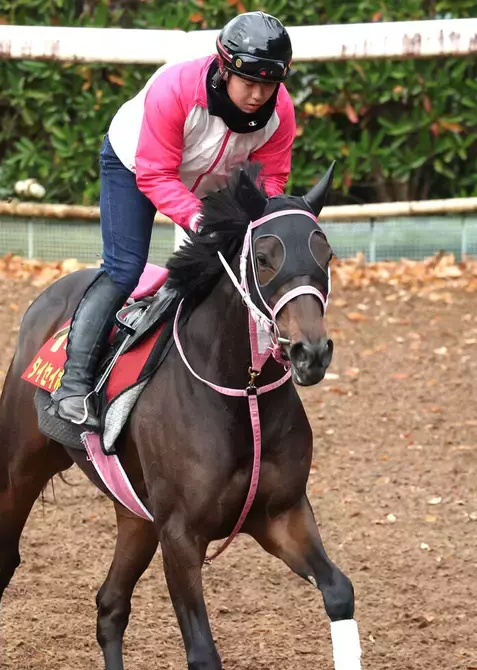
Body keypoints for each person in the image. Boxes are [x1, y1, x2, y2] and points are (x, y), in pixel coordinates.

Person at [52, 11, 296, 427]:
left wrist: (260, 222)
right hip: (137, 166)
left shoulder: (280, 112)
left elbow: (271, 176)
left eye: (268, 84)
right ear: (224, 69)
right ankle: (73, 387)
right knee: (124, 269)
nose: (259, 95)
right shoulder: (175, 89)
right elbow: (156, 174)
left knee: (232, 272)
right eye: (249, 82)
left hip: (208, 179)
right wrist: (199, 220)